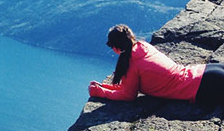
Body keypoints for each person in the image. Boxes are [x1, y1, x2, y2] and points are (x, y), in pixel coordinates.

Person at [88, 24, 224, 105]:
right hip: (205, 72)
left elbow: (128, 96)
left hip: (199, 87)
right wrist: (107, 87)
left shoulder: (131, 63)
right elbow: (129, 86)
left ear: (116, 47)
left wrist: (101, 92)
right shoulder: (143, 46)